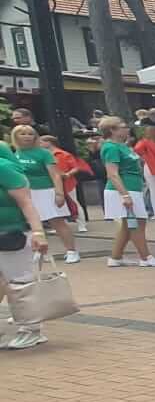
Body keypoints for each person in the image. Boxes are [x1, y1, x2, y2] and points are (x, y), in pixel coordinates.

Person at [1, 143, 53, 351]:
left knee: (20, 283)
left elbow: (26, 202)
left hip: (12, 233)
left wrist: (38, 232)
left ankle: (31, 330)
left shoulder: (4, 168)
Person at [10, 123, 77, 263]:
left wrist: (59, 193)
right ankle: (40, 251)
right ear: (16, 137)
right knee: (33, 224)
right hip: (27, 192)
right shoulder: (14, 154)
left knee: (57, 222)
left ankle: (71, 251)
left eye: (30, 134)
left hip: (46, 191)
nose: (27, 137)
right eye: (23, 134)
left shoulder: (44, 153)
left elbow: (55, 175)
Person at [98, 114, 155, 266]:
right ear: (112, 130)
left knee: (129, 224)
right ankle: (146, 257)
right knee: (136, 222)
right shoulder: (111, 147)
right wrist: (124, 194)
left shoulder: (122, 146)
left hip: (133, 187)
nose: (127, 129)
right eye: (123, 127)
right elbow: (112, 173)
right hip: (123, 189)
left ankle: (116, 257)